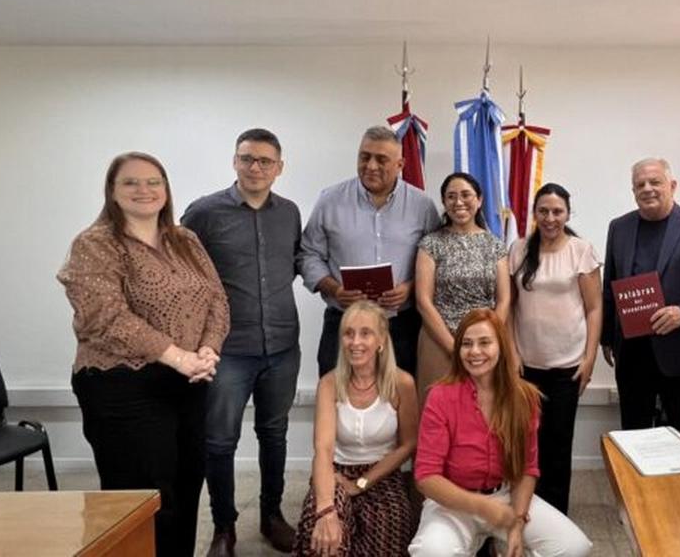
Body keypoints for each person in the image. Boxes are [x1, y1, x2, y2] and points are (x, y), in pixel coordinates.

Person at [58, 151, 228, 557]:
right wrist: (177, 356)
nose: (144, 190)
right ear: (112, 191)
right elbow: (104, 317)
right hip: (121, 386)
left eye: (154, 182)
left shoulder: (184, 240)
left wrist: (208, 349)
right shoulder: (95, 244)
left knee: (187, 485)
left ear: (166, 189)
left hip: (188, 381)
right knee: (144, 500)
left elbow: (217, 299)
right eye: (131, 182)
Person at [182, 128, 302, 555]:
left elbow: (294, 263)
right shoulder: (204, 213)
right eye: (247, 158)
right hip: (227, 350)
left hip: (282, 346)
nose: (255, 167)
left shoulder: (289, 213)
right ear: (234, 161)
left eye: (265, 161)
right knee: (219, 441)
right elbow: (181, 272)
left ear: (279, 168)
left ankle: (272, 516)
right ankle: (223, 527)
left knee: (274, 433)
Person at [409, 309, 592, 557]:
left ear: (501, 347)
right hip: (453, 501)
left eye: (485, 342)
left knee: (574, 546)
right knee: (430, 552)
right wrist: (482, 507)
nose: (474, 351)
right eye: (466, 344)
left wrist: (517, 522)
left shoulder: (524, 397)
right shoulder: (440, 396)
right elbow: (426, 477)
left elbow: (528, 468)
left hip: (505, 496)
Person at [300, 126, 441, 377]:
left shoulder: (422, 206)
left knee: (400, 395)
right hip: (343, 321)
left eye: (381, 159)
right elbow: (308, 253)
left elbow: (437, 260)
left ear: (400, 164)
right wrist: (335, 289)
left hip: (401, 325)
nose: (371, 166)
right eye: (364, 157)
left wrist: (411, 287)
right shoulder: (330, 200)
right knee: (335, 393)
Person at [601, 158, 680, 433]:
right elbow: (610, 285)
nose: (647, 189)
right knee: (634, 435)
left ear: (672, 185)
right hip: (631, 353)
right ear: (633, 191)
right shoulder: (619, 227)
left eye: (655, 182)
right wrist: (606, 337)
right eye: (640, 185)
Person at [292, 301, 419, 557]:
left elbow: (409, 444)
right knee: (323, 535)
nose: (355, 342)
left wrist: (361, 483)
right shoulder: (329, 384)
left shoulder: (402, 383)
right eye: (348, 333)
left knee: (388, 535)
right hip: (335, 472)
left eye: (365, 333)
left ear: (381, 340)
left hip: (383, 474)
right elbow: (323, 450)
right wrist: (326, 510)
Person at [508, 182, 601, 514]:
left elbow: (594, 308)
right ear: (534, 213)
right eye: (543, 211)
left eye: (557, 211)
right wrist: (512, 352)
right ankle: (526, 513)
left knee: (558, 447)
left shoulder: (581, 250)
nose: (550, 218)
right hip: (525, 367)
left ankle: (557, 518)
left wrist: (589, 359)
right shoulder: (518, 249)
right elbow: (509, 307)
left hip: (567, 367)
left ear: (568, 214)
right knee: (526, 445)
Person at [414, 172, 509, 408]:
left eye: (466, 195)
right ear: (444, 202)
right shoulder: (430, 244)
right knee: (439, 412)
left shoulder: (495, 246)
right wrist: (454, 346)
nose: (458, 202)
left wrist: (488, 340)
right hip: (439, 341)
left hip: (485, 346)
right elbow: (423, 301)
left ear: (479, 200)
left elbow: (504, 300)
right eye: (451, 196)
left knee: (483, 413)